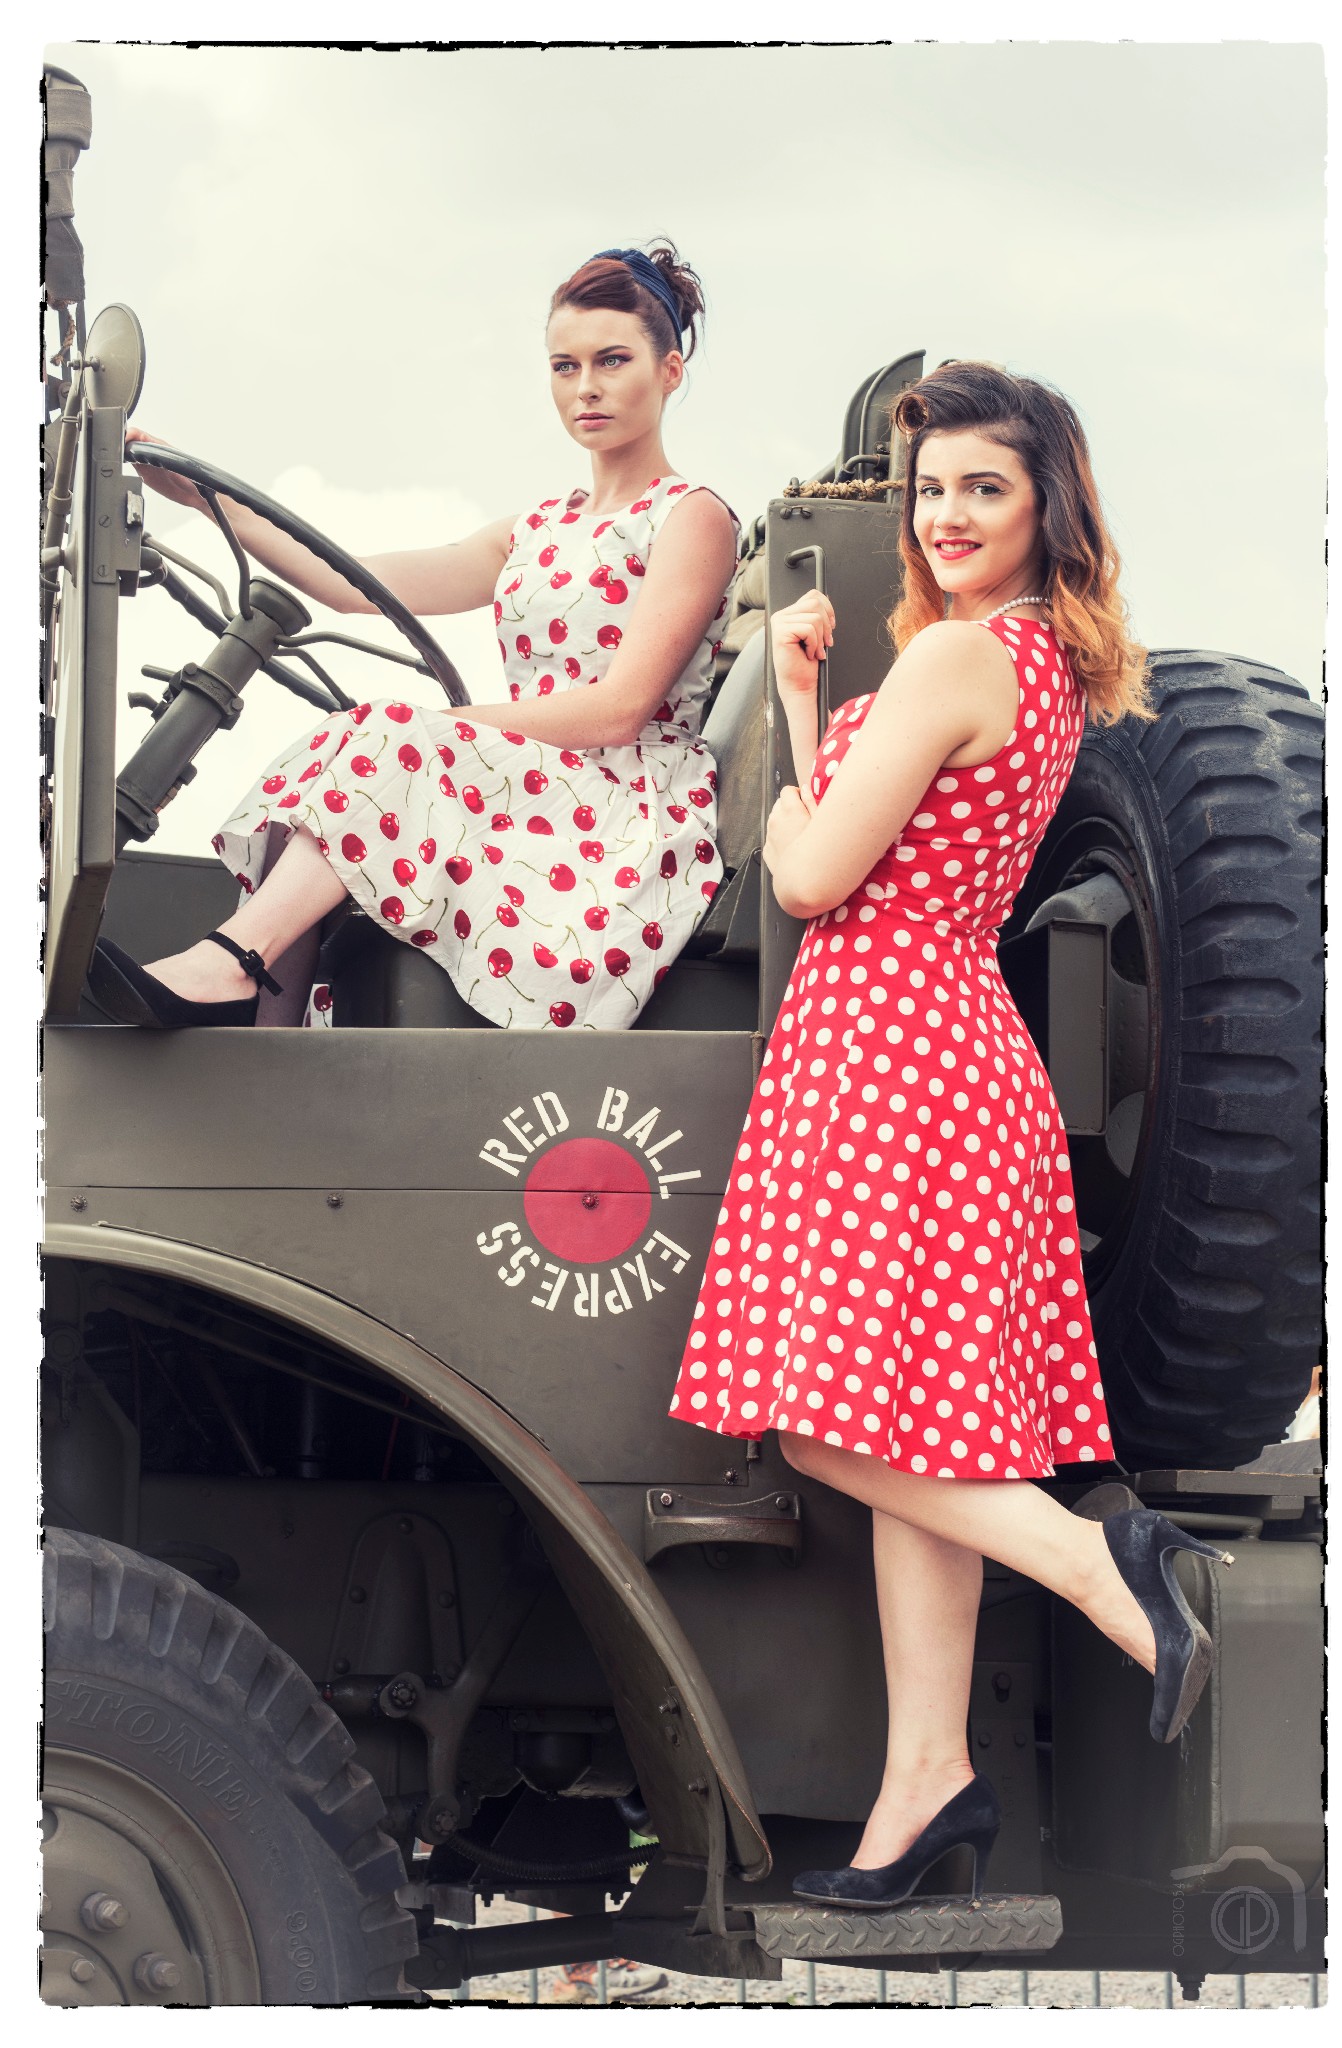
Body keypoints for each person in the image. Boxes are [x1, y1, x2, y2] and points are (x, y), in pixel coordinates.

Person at [668, 361, 1234, 1908]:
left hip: (888, 1049)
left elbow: (808, 879)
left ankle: (1097, 1564)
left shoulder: (947, 659)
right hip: (952, 1045)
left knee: (816, 1424)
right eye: (929, 491)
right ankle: (926, 1784)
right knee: (929, 1436)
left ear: (1048, 503)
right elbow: (874, 837)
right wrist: (802, 706)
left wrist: (786, 802)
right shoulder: (1037, 665)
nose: (946, 516)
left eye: (983, 487)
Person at [90, 243, 739, 1031]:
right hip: (533, 784)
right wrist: (207, 500)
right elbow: (349, 583)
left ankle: (232, 965)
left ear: (669, 370)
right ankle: (264, 1035)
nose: (586, 388)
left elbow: (618, 710)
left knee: (389, 735)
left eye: (612, 361)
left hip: (620, 805)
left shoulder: (689, 516)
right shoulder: (535, 528)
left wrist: (435, 729)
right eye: (564, 366)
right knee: (342, 740)